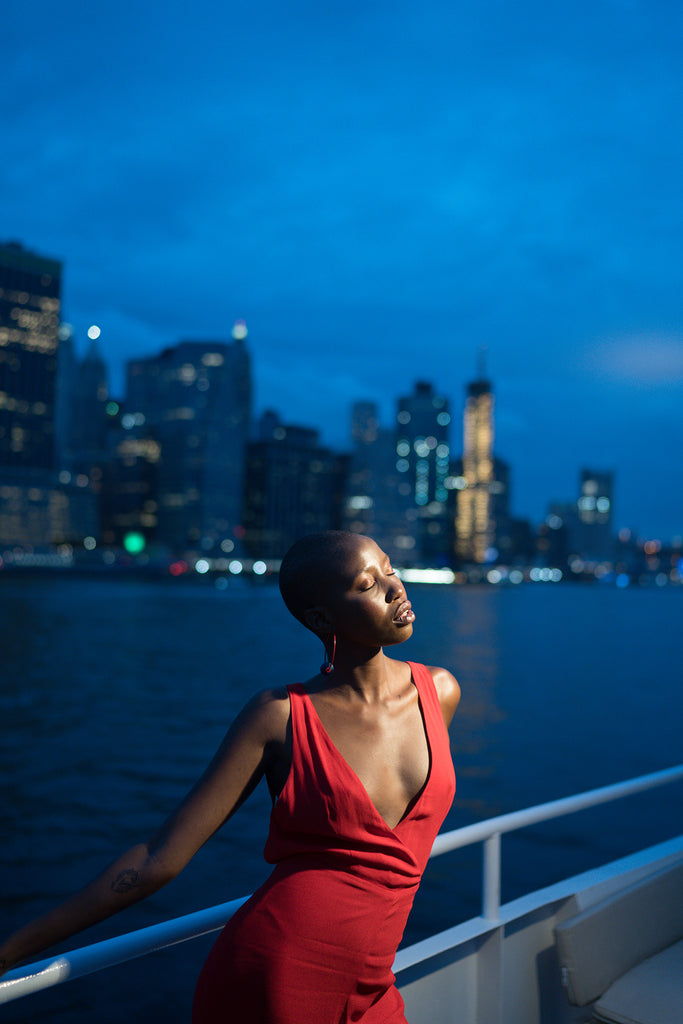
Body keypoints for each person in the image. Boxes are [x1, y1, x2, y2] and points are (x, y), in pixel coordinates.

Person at [0, 531, 460, 1023]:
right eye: (368, 584)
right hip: (277, 980)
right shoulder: (280, 716)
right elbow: (159, 859)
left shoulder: (440, 691)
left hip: (373, 985)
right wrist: (11, 951)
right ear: (321, 618)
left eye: (390, 569)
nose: (396, 588)